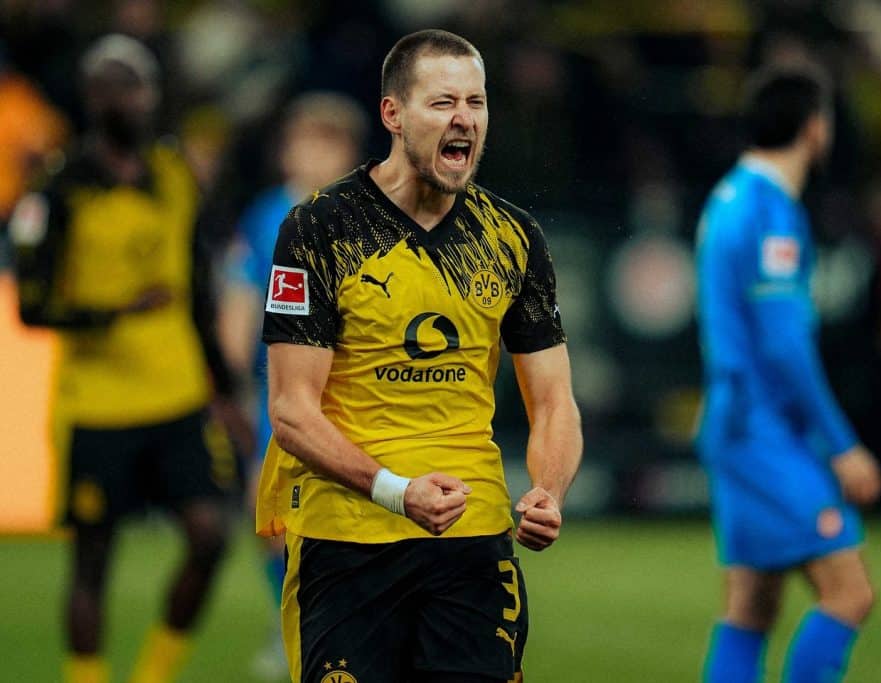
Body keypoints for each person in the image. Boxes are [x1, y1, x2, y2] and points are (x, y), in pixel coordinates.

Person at [255, 29, 583, 683]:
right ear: (393, 114)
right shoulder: (320, 229)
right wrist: (397, 492)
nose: (465, 118)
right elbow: (291, 411)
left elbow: (553, 400)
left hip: (471, 538)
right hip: (348, 539)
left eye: (475, 102)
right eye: (442, 102)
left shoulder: (513, 237)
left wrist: (549, 489)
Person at [9, 34, 249, 683]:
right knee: (93, 560)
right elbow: (31, 307)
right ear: (90, 99)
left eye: (135, 86)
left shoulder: (173, 176)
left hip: (176, 395)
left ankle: (152, 673)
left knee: (210, 535)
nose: (126, 100)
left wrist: (226, 388)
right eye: (111, 87)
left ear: (152, 94)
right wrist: (114, 312)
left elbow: (197, 289)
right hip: (98, 402)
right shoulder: (59, 190)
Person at [694, 67, 881, 683]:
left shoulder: (727, 197)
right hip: (763, 431)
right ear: (815, 127)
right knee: (850, 594)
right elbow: (783, 345)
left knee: (752, 606)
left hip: (734, 421)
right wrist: (843, 444)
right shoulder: (770, 210)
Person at [218, 91, 368, 680]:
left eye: (331, 144)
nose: (318, 156)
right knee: (273, 522)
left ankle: (340, 622)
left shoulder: (367, 216)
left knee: (354, 511)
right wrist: (230, 370)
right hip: (282, 393)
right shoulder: (265, 218)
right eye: (309, 142)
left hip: (357, 392)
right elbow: (240, 295)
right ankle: (296, 620)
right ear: (287, 152)